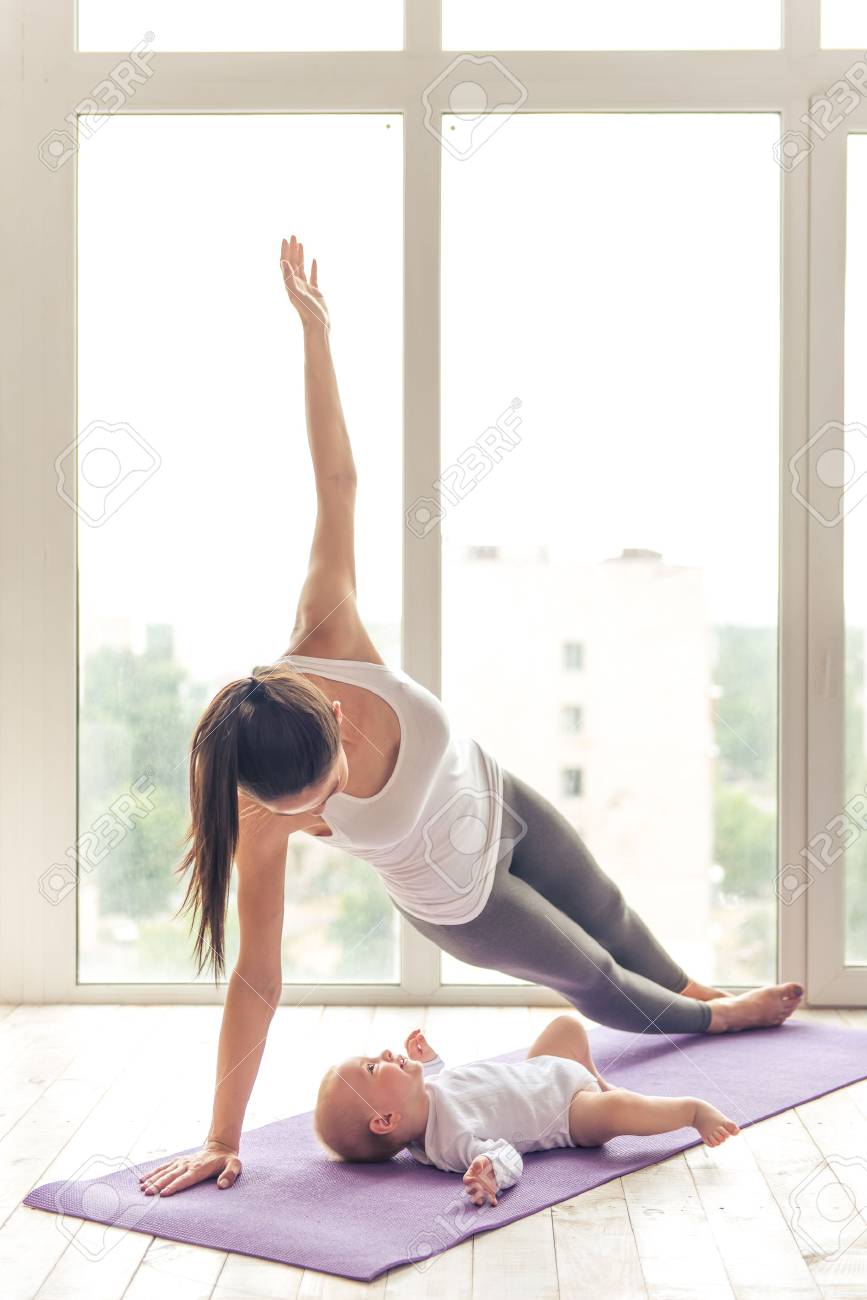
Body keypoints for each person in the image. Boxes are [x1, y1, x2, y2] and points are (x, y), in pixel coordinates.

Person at [137, 234, 803, 1201]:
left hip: (499, 796)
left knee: (613, 910)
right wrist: (219, 1135)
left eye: (327, 777)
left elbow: (337, 485)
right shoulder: (266, 814)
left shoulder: (326, 628)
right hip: (461, 896)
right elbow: (257, 977)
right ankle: (716, 1022)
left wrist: (315, 335)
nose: (326, 804)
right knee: (597, 979)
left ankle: (695, 990)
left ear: (326, 701)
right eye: (313, 805)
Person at [313, 1018, 740, 1208]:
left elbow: (451, 1081)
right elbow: (507, 1156)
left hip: (543, 1070)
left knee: (565, 1027)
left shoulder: (424, 1094)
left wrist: (433, 1059)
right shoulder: (448, 1144)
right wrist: (488, 1172)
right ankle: (692, 1112)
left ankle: (597, 1078)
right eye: (374, 1066)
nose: (385, 1053)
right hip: (567, 1113)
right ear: (386, 1120)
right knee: (617, 1111)